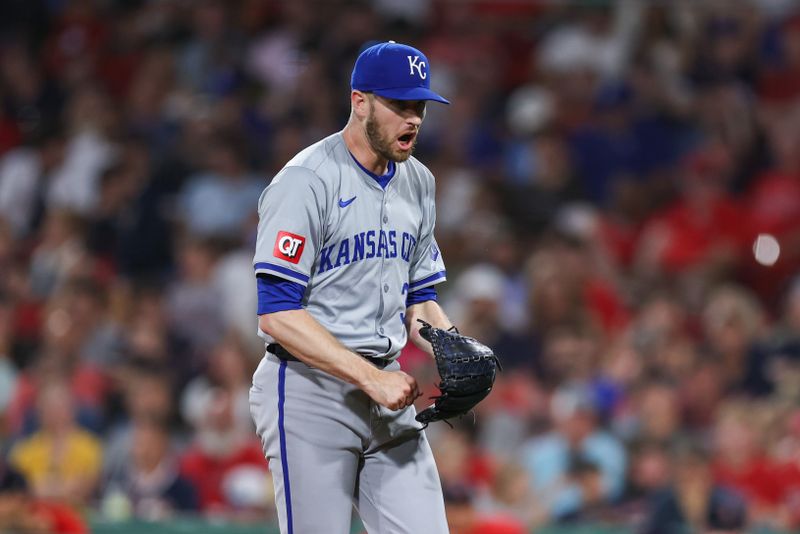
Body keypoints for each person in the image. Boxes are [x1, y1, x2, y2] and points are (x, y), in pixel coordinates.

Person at [249, 41, 454, 533]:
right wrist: (370, 378)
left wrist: (455, 350)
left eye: (419, 106)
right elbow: (277, 313)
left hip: (388, 392)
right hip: (308, 389)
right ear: (359, 101)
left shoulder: (418, 181)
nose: (414, 119)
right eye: (399, 106)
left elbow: (419, 297)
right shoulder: (306, 181)